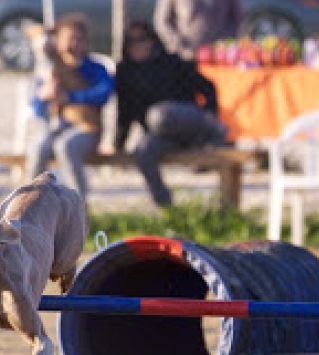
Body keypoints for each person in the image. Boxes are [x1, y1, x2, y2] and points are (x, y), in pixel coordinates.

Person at [115, 21, 228, 207]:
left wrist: (210, 113)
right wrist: (118, 144)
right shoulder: (124, 71)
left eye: (142, 38)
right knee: (142, 151)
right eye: (131, 40)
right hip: (162, 135)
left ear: (152, 40)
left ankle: (214, 131)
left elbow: (208, 87)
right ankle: (166, 206)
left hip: (189, 123)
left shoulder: (172, 62)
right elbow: (124, 112)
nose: (137, 44)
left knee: (159, 115)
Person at [24, 13, 113, 201]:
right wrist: (44, 95)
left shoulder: (95, 68)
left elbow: (104, 93)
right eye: (69, 39)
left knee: (65, 146)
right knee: (39, 146)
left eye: (79, 39)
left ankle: (78, 205)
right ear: (58, 42)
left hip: (86, 129)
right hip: (55, 126)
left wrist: (69, 97)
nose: (74, 44)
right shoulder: (49, 69)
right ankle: (28, 203)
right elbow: (38, 109)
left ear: (86, 42)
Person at [153, 0, 242, 61]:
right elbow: (162, 22)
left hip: (219, 58)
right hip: (184, 58)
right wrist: (178, 45)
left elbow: (237, 19)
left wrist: (226, 40)